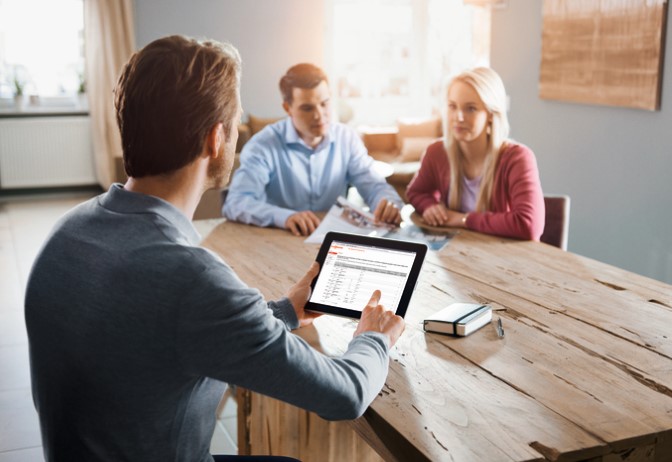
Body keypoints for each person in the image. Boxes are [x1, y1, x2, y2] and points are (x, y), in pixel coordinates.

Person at [24, 35, 405, 462]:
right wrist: (374, 339)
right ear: (215, 139)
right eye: (235, 120)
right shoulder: (192, 277)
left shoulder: (66, 232)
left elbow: (167, 331)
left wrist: (285, 311)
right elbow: (345, 394)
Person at [222, 63, 403, 236]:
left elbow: (373, 185)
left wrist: (386, 204)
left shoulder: (346, 138)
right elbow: (236, 203)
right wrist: (285, 217)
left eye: (324, 103)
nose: (319, 115)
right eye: (307, 108)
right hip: (278, 240)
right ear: (288, 108)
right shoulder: (263, 145)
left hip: (330, 241)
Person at [406, 67, 545, 240]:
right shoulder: (436, 152)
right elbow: (416, 193)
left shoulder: (518, 158)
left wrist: (464, 220)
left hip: (505, 257)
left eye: (470, 109)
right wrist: (429, 206)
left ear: (491, 115)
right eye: (452, 106)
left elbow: (528, 225)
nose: (459, 117)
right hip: (457, 252)